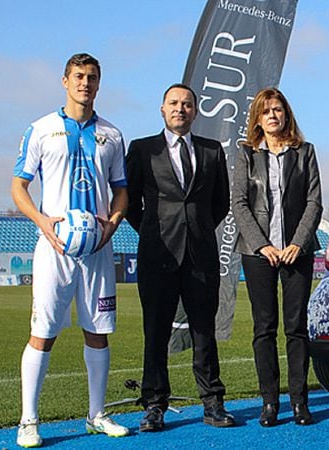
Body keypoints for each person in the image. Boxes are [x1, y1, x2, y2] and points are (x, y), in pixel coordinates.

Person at [11, 53, 130, 447]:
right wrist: (43, 222)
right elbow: (19, 187)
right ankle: (28, 419)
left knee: (98, 332)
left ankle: (97, 414)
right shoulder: (41, 129)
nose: (85, 83)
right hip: (55, 246)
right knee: (42, 333)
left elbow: (121, 191)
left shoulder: (112, 135)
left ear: (99, 84)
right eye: (79, 76)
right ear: (65, 81)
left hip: (96, 248)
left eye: (92, 77)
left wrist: (112, 224)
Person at [125, 83, 234, 431]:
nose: (180, 109)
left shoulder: (212, 150)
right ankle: (154, 404)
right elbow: (129, 203)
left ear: (195, 111)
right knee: (155, 332)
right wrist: (154, 233)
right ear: (162, 109)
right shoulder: (142, 149)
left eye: (187, 104)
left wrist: (196, 230)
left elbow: (221, 203)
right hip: (157, 255)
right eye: (173, 103)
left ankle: (213, 402)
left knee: (204, 331)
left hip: (201, 255)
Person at [232, 88, 322, 427]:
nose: (272, 115)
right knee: (264, 329)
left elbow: (314, 202)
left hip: (297, 251)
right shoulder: (246, 154)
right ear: (257, 118)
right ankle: (270, 403)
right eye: (265, 111)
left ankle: (300, 402)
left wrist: (298, 243)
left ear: (287, 114)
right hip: (258, 254)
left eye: (278, 109)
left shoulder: (305, 152)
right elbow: (239, 203)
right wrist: (262, 245)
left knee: (296, 328)